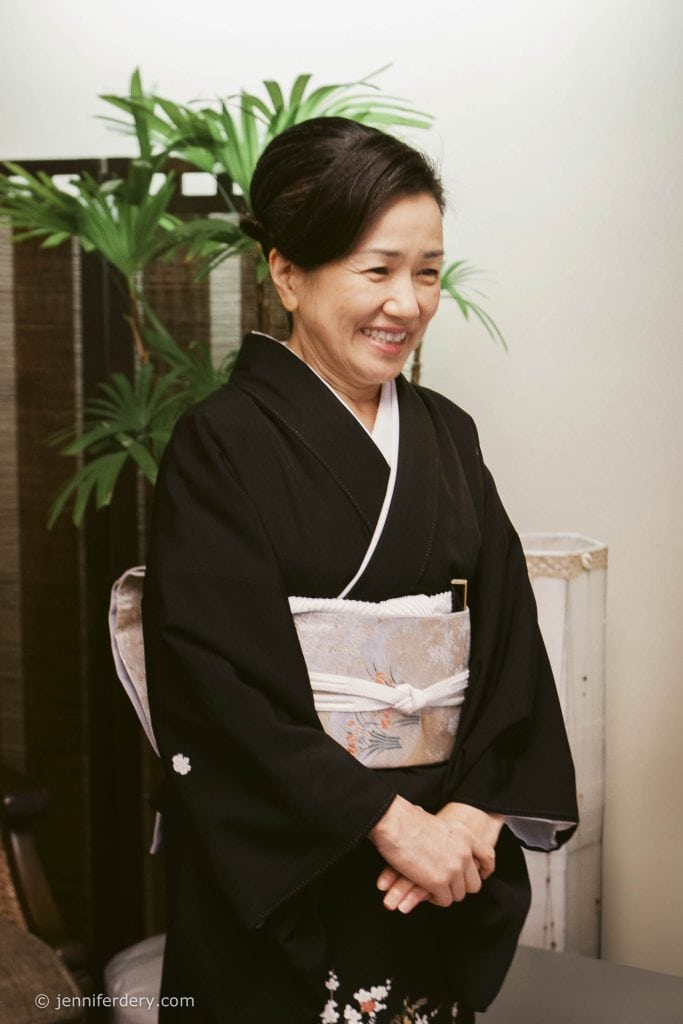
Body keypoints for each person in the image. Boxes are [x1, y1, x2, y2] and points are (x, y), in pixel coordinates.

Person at [142, 116, 578, 1024]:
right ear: (288, 273)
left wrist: (473, 815)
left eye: (427, 272)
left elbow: (507, 646)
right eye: (376, 270)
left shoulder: (446, 434)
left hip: (439, 861)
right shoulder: (218, 446)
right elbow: (216, 688)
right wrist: (390, 826)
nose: (407, 303)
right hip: (309, 854)